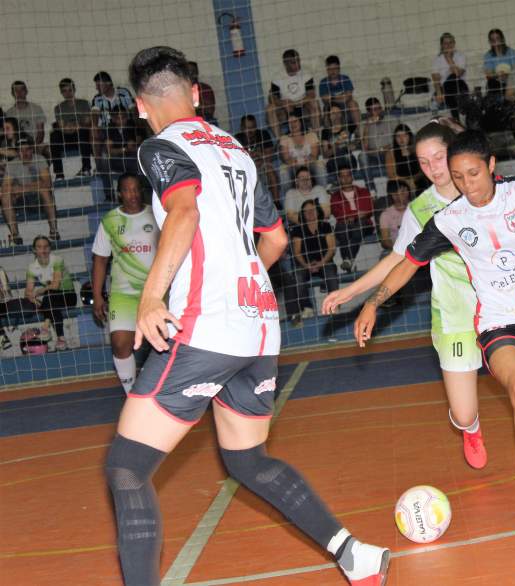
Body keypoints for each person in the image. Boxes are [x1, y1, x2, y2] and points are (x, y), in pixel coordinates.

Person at [104, 45, 388, 586]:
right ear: (195, 93)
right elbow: (277, 239)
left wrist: (151, 297)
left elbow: (184, 212)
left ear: (141, 106)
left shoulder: (160, 148)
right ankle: (356, 556)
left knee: (126, 468)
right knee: (248, 462)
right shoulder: (235, 149)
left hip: (204, 326)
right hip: (258, 326)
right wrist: (237, 283)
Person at [353, 129, 515, 525]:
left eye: (473, 174)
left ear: (491, 166)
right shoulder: (450, 219)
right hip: (498, 321)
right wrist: (373, 302)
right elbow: (408, 261)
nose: (466, 185)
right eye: (458, 177)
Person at [91, 174, 158, 392]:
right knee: (120, 343)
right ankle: (133, 395)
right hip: (124, 294)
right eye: (127, 190)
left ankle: (167, 392)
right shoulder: (110, 221)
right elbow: (100, 260)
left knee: (167, 345)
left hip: (157, 292)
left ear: (142, 191)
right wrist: (98, 295)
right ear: (119, 193)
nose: (132, 195)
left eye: (136, 189)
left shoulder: (157, 214)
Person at [1, 134, 60, 245]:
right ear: (17, 151)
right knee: (5, 195)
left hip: (38, 200)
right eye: (21, 150)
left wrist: (20, 189)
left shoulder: (40, 159)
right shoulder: (12, 164)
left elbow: (47, 184)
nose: (24, 153)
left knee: (45, 191)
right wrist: (35, 185)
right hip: (22, 201)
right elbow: (5, 188)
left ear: (32, 149)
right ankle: (15, 234)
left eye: (27, 149)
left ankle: (53, 231)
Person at [288, 199, 339, 325]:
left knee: (331, 272)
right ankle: (307, 307)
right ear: (302, 215)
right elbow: (297, 252)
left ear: (318, 211)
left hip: (324, 262)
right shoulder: (297, 229)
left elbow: (332, 248)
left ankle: (334, 306)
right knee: (297, 275)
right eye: (306, 211)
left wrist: (321, 263)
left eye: (312, 210)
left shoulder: (325, 226)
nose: (310, 213)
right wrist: (306, 265)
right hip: (305, 264)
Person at [22, 235, 77, 351]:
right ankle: (61, 339)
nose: (43, 250)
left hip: (68, 296)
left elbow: (55, 285)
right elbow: (27, 291)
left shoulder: (57, 260)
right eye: (39, 247)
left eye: (46, 247)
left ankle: (45, 327)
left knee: (50, 293)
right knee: (50, 299)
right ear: (34, 250)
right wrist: (33, 299)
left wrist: (39, 291)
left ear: (50, 248)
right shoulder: (32, 267)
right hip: (52, 301)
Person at [330, 163, 374, 273]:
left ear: (352, 176)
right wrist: (356, 214)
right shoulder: (335, 196)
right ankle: (349, 260)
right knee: (341, 227)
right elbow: (337, 213)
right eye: (342, 176)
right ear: (339, 178)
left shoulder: (363, 191)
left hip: (363, 223)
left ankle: (347, 258)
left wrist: (351, 216)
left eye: (348, 175)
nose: (345, 178)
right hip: (344, 225)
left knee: (357, 227)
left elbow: (368, 209)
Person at [267, 49, 320, 136]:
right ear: (286, 64)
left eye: (298, 60)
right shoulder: (277, 77)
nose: (298, 64)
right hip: (285, 107)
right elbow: (272, 98)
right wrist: (283, 103)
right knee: (270, 109)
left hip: (303, 104)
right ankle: (280, 140)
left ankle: (316, 137)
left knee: (314, 103)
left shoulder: (307, 73)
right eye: (293, 62)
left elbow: (311, 95)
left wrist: (296, 103)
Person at [51, 78, 93, 179]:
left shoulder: (84, 103)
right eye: (65, 91)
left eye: (70, 90)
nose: (68, 93)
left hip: (81, 135)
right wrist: (74, 126)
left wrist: (73, 126)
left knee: (83, 131)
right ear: (61, 93)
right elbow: (62, 127)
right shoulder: (59, 108)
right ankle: (59, 174)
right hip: (67, 136)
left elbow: (87, 123)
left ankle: (86, 168)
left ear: (74, 89)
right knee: (54, 136)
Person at [278, 112, 323, 193]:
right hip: (293, 166)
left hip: (310, 165)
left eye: (295, 121)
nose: (292, 124)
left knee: (320, 166)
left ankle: (323, 191)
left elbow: (314, 156)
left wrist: (299, 160)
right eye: (290, 122)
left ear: (301, 122)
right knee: (283, 170)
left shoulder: (311, 135)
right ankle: (289, 195)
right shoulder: (284, 138)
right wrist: (301, 160)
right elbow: (286, 159)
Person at [432, 33, 469, 119]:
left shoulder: (460, 56)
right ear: (442, 45)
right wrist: (438, 93)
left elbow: (458, 74)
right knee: (449, 83)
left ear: (454, 44)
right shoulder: (437, 60)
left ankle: (457, 117)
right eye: (445, 43)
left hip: (460, 86)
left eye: (450, 42)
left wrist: (448, 58)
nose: (448, 45)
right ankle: (456, 117)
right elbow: (435, 79)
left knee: (453, 77)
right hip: (445, 89)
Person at [318, 55, 360, 126]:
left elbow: (348, 97)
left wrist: (332, 98)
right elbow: (325, 99)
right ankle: (329, 134)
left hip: (345, 106)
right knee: (329, 110)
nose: (333, 71)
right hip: (331, 107)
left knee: (353, 104)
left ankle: (359, 130)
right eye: (330, 69)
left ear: (339, 68)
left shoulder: (345, 78)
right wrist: (341, 97)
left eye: (335, 68)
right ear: (327, 70)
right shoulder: (323, 82)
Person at [384, 124, 424, 192]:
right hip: (400, 181)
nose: (401, 139)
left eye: (404, 135)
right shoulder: (390, 153)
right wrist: (407, 181)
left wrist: (413, 180)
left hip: (416, 180)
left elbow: (422, 171)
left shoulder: (417, 150)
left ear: (409, 136)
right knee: (394, 186)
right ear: (395, 138)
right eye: (398, 136)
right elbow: (391, 175)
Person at [6, 81, 46, 147]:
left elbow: (40, 133)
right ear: (12, 93)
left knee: (47, 149)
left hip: (35, 144)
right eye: (16, 90)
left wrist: (33, 147)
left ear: (26, 91)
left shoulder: (36, 109)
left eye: (22, 90)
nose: (19, 93)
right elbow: (10, 136)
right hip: (17, 146)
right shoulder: (9, 113)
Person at [378, 180, 410, 251]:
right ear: (393, 195)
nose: (405, 193)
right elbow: (385, 240)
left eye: (406, 190)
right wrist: (397, 249)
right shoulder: (386, 214)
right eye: (401, 191)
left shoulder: (416, 208)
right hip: (396, 249)